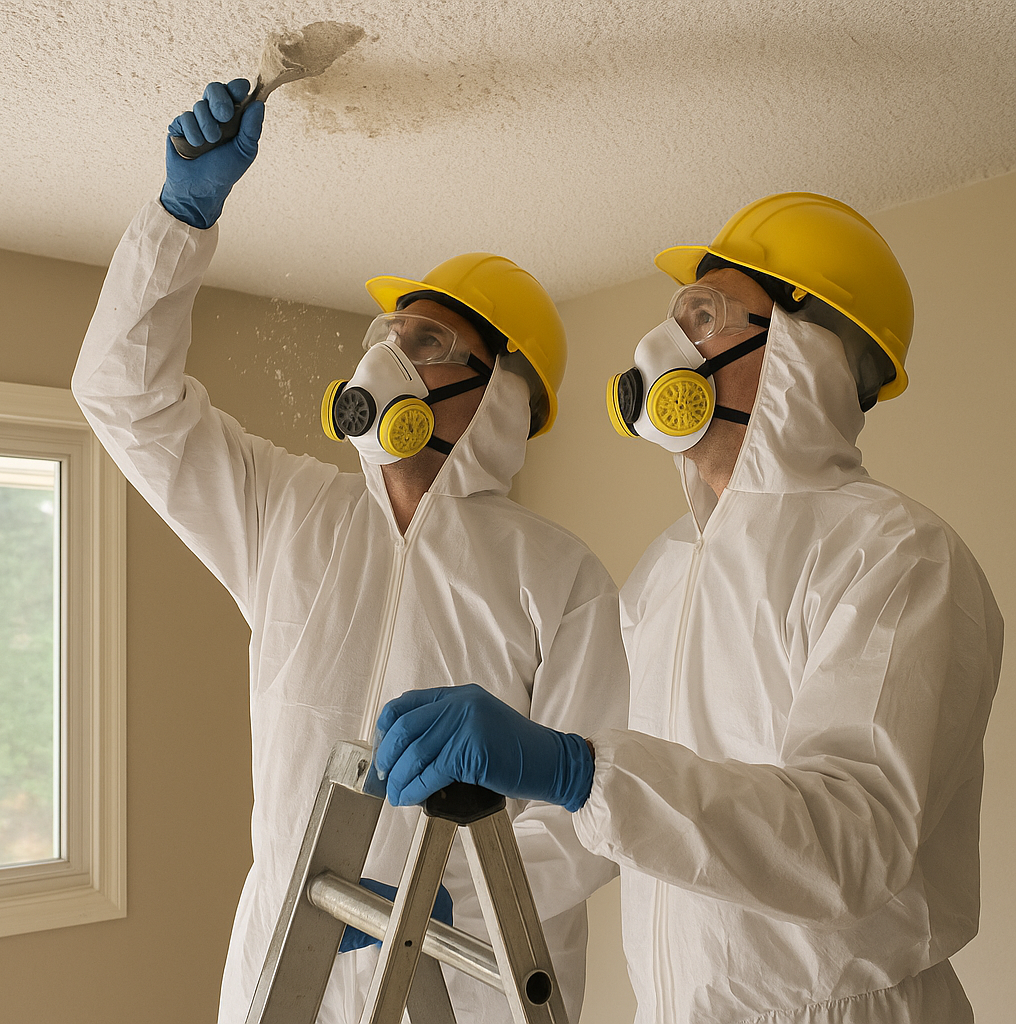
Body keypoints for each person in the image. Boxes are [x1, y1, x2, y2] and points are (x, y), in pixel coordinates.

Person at [72, 79, 628, 1023]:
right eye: (388, 332)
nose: (386, 353)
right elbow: (125, 401)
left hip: (468, 974)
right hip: (287, 970)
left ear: (497, 393)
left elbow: (595, 814)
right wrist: (179, 219)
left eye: (424, 338)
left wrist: (441, 907)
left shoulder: (559, 576)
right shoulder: (291, 513)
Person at [375, 193, 1004, 1023]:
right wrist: (450, 901)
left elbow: (852, 842)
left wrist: (573, 766)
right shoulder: (663, 571)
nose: (664, 346)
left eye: (703, 316)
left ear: (800, 350)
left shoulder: (897, 556)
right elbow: (618, 820)